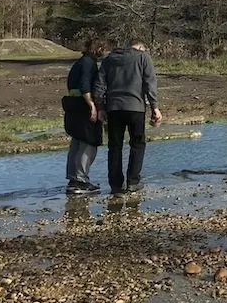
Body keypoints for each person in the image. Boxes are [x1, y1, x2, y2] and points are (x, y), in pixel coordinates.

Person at [94, 41, 162, 194]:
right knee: (137, 144)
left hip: (114, 108)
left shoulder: (109, 59)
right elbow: (150, 83)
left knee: (114, 147)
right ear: (141, 48)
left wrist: (100, 107)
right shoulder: (143, 58)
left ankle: (116, 185)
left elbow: (99, 85)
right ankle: (133, 181)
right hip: (135, 107)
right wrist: (154, 107)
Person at [62, 38, 106, 195]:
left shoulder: (79, 62)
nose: (104, 51)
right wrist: (92, 106)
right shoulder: (88, 63)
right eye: (102, 48)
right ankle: (81, 180)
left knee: (77, 143)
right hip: (83, 107)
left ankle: (74, 179)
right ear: (96, 48)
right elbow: (85, 85)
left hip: (73, 106)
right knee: (88, 142)